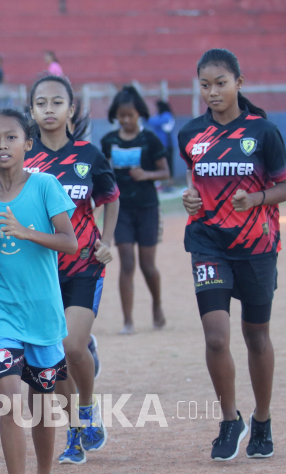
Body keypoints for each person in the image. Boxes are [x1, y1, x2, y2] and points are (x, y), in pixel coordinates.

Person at [180, 48, 286, 461]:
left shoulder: (263, 132)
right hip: (208, 243)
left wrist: (257, 199)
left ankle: (262, 420)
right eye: (205, 85)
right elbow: (195, 183)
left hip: (257, 246)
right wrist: (191, 200)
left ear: (239, 84)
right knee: (215, 338)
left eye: (220, 83)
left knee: (256, 336)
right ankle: (231, 420)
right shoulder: (190, 134)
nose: (212, 92)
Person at [0, 108, 77, 474]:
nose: (3, 145)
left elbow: (69, 243)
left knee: (40, 405)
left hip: (44, 314)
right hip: (1, 310)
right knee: (10, 397)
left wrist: (23, 230)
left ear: (27, 143)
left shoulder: (47, 186)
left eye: (11, 138)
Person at [24, 75, 120, 465]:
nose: (49, 109)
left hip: (83, 265)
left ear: (71, 109)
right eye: (41, 103)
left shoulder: (89, 156)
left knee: (70, 346)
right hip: (40, 273)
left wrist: (107, 240)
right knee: (53, 360)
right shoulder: (23, 159)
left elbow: (111, 198)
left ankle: (87, 409)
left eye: (56, 102)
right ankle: (75, 430)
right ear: (31, 111)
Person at [101, 86, 169, 335]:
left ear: (139, 114)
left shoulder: (150, 139)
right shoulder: (109, 141)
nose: (126, 120)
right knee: (127, 262)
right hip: (122, 211)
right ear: (115, 116)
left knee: (147, 265)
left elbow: (166, 173)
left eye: (130, 115)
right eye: (122, 116)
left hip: (148, 208)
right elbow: (103, 172)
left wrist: (146, 175)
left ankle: (157, 305)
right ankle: (128, 320)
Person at [147, 100, 176, 177]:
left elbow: (155, 122)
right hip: (159, 144)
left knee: (168, 164)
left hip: (167, 144)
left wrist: (146, 117)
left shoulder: (167, 115)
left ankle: (169, 182)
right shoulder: (158, 115)